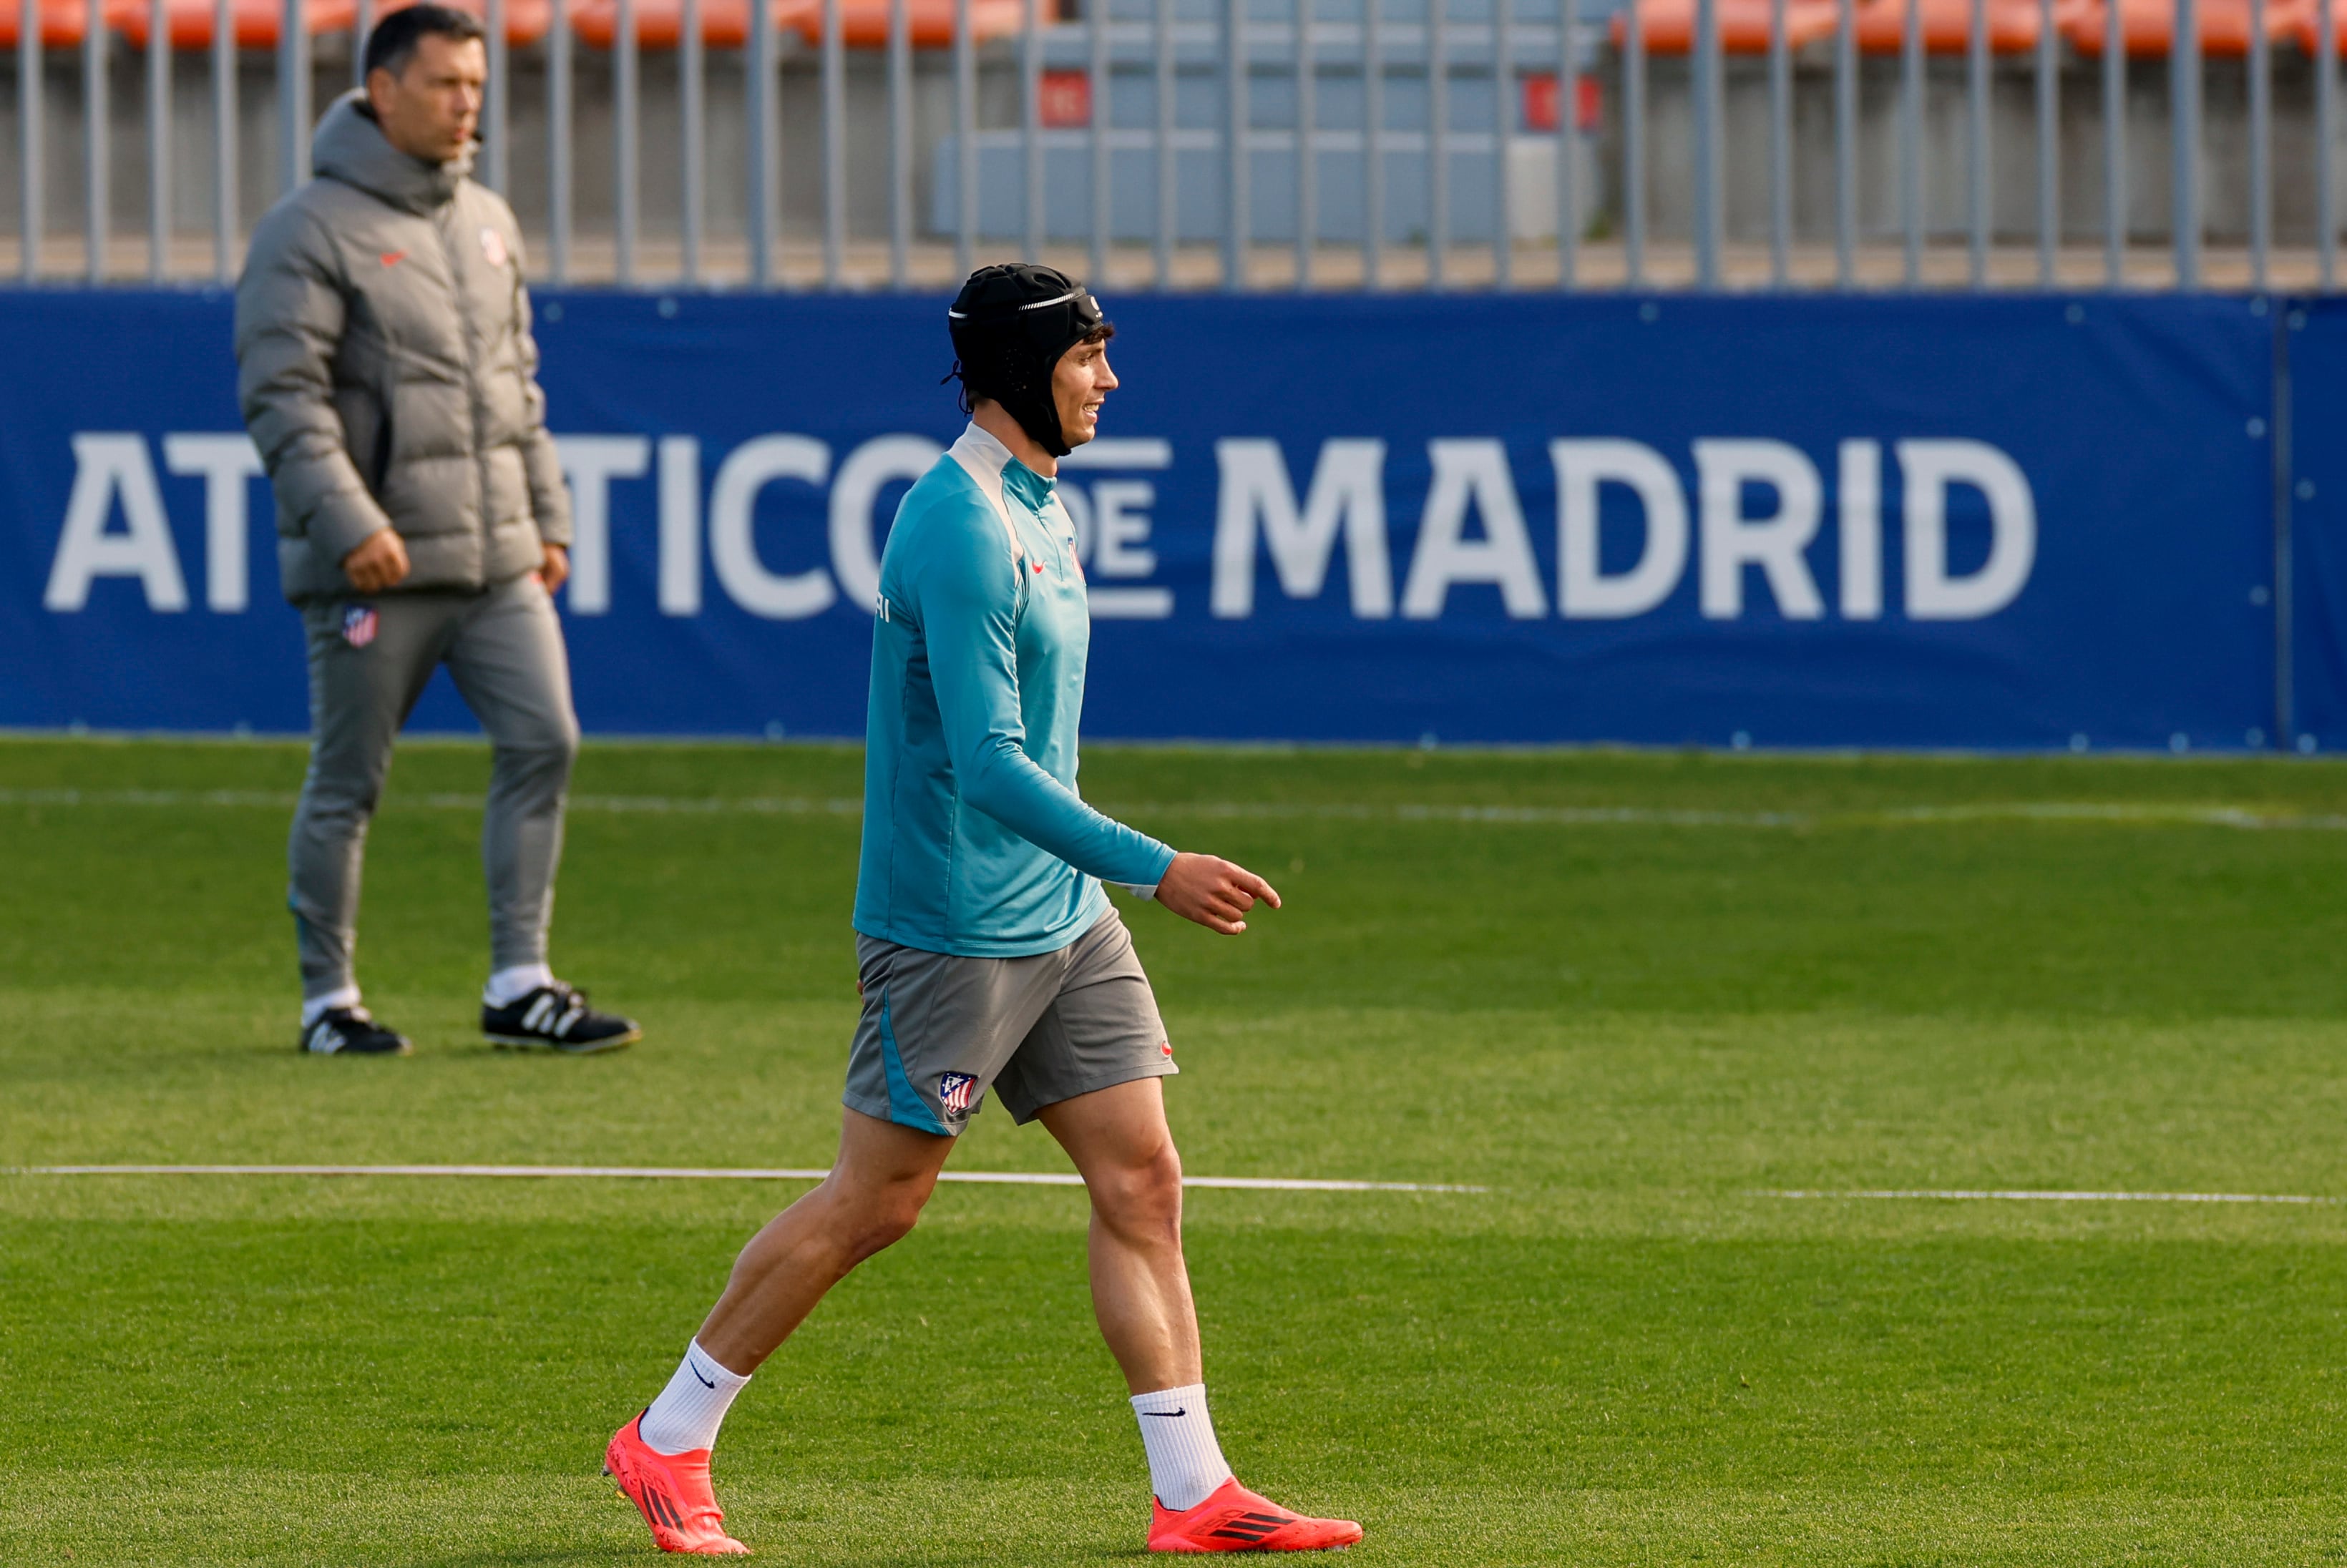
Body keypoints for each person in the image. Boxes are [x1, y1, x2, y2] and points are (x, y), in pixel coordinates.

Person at [600, 264, 1365, 1557]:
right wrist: (1155, 864)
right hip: (951, 927)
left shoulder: (1039, 504)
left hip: (1063, 920)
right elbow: (993, 764)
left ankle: (1194, 1495)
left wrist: (1103, 884)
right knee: (877, 1205)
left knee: (1143, 1178)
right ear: (1021, 372)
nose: (1110, 379)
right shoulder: (957, 524)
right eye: (1087, 356)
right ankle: (666, 1439)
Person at [235, 4, 636, 1057]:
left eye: (477, 85)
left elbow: (518, 390)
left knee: (546, 739)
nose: (470, 105)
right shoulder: (307, 229)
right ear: (382, 89)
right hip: (376, 567)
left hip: (499, 558)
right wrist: (348, 520)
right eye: (449, 85)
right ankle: (330, 1002)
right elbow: (284, 397)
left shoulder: (487, 220)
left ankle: (520, 982)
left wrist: (547, 515)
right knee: (350, 778)